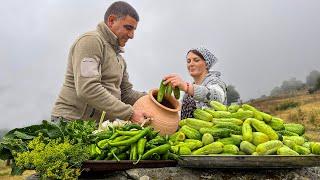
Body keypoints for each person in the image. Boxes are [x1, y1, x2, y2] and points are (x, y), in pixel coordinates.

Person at [51, 1, 148, 124]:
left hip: (96, 127)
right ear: (111, 21)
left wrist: (152, 98)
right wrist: (129, 114)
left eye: (134, 30)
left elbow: (126, 94)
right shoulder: (91, 41)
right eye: (128, 28)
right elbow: (88, 88)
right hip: (71, 122)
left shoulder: (119, 59)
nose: (132, 35)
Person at [163, 47, 227, 119]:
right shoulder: (190, 90)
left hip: (210, 129)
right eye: (188, 61)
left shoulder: (214, 81)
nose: (191, 64)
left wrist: (186, 87)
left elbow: (218, 97)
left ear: (206, 64)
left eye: (196, 60)